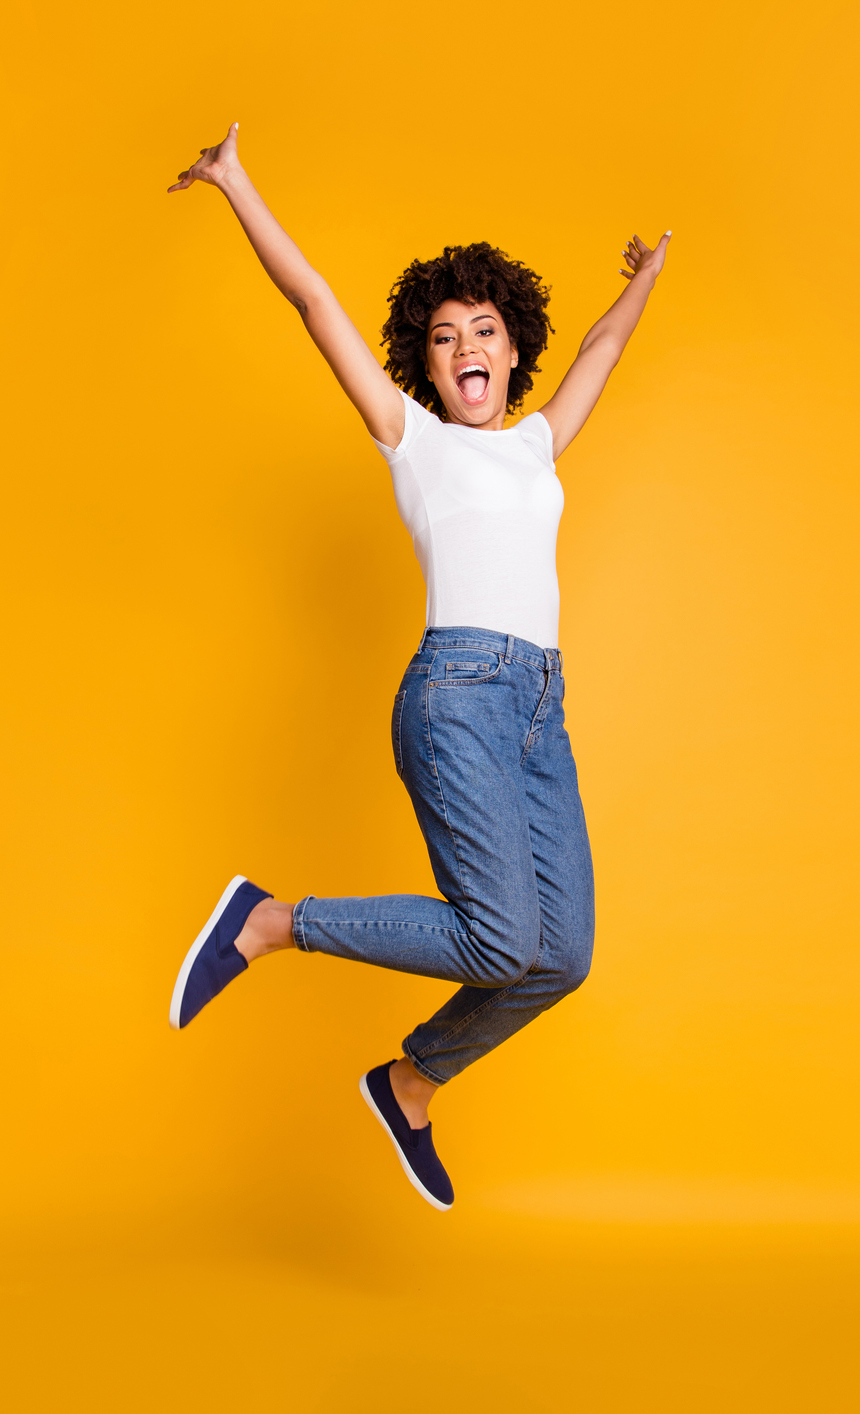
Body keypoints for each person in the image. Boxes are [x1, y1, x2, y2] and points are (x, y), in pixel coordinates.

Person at [166, 123, 671, 1212]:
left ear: (509, 343)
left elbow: (603, 353)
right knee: (498, 935)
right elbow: (314, 306)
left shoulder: (534, 445)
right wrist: (236, 181)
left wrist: (643, 280)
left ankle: (409, 1081)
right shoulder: (414, 441)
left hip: (540, 708)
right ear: (424, 364)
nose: (465, 347)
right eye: (443, 337)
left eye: (482, 329)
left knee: (559, 953)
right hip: (455, 697)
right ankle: (268, 919)